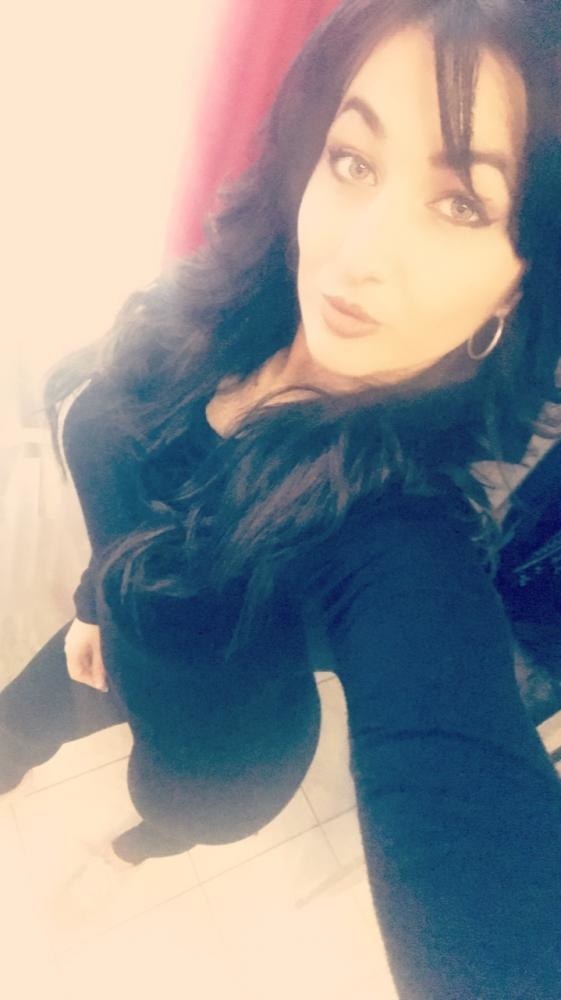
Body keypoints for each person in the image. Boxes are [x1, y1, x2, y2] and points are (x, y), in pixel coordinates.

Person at [2, 0, 561, 995]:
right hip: (110, 625)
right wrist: (93, 601)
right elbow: (126, 487)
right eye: (354, 160)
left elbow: (477, 841)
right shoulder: (223, 307)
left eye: (461, 205)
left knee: (163, 810)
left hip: (218, 753)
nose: (356, 251)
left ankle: (137, 853)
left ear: (517, 283)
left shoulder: (397, 534)